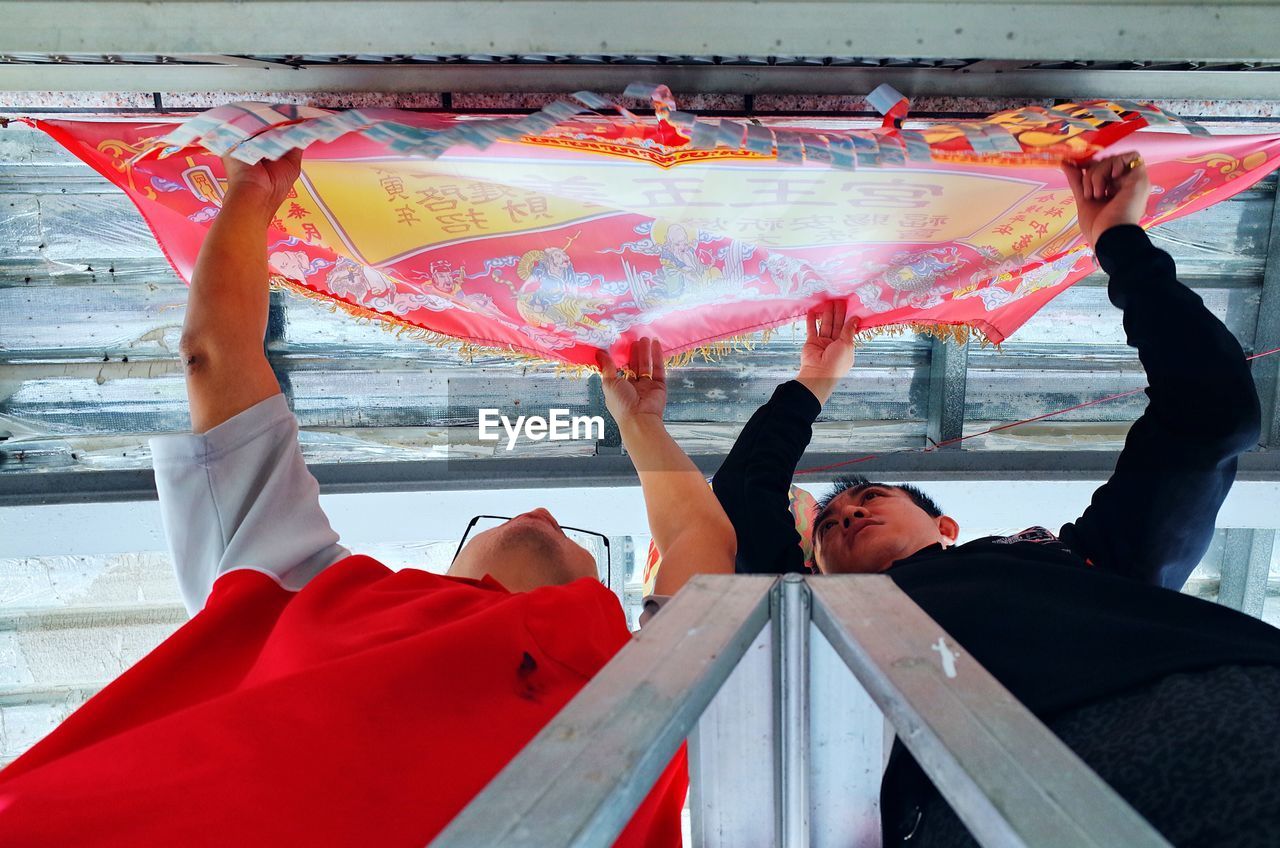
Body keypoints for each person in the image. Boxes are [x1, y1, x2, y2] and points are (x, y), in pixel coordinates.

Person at [0, 150, 734, 847]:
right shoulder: (648, 698)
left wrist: (250, 197)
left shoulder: (287, 589)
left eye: (510, 518)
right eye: (570, 533)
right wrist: (639, 427)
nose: (540, 514)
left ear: (447, 568)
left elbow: (214, 356)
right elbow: (706, 544)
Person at [712, 153, 1280, 846]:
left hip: (1213, 710)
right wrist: (1121, 240)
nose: (848, 514)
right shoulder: (811, 613)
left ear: (945, 525)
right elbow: (749, 495)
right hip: (986, 800)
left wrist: (1121, 242)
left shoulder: (1078, 565)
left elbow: (1212, 417)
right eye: (831, 521)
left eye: (862, 500)